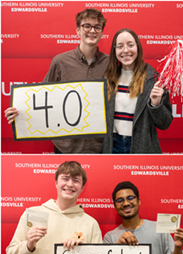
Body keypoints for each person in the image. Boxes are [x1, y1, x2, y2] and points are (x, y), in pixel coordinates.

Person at [5, 9, 108, 153]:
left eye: (97, 27)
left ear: (102, 32)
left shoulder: (110, 64)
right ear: (78, 30)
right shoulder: (60, 62)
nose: (92, 30)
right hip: (67, 147)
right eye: (87, 26)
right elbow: (41, 99)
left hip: (101, 146)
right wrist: (19, 113)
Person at [6, 161, 102, 254]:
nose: (70, 184)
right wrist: (29, 245)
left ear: (82, 188)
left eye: (76, 180)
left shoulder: (90, 223)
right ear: (56, 182)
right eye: (65, 178)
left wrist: (83, 252)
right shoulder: (32, 214)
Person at [103, 29, 172, 153]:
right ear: (114, 51)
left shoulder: (154, 79)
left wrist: (155, 105)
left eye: (130, 45)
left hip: (142, 146)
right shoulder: (107, 78)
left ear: (138, 47)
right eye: (120, 46)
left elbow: (164, 123)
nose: (125, 50)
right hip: (113, 145)